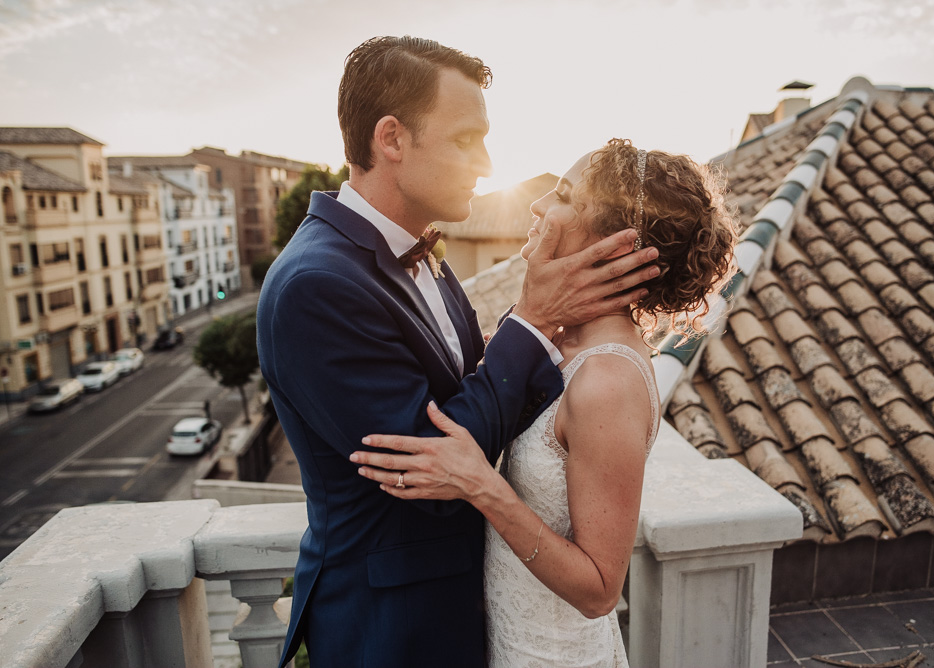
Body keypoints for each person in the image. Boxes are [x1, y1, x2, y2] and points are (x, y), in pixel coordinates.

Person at [256, 38, 661, 668]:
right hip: (391, 628)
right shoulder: (316, 285)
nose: (486, 163)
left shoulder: (422, 251)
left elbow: (470, 391)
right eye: (466, 140)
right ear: (392, 139)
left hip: (478, 611)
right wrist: (530, 321)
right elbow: (431, 466)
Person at [352, 138, 738, 667]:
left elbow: (601, 588)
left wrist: (483, 487)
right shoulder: (560, 342)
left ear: (614, 243)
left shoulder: (608, 379)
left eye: (563, 195)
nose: (536, 206)